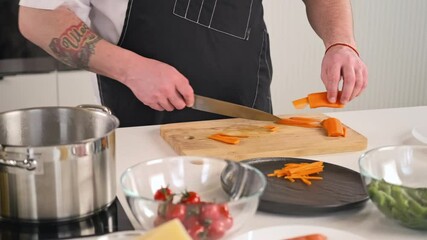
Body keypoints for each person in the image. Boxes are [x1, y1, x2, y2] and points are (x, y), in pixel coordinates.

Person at [18, 0, 367, 127]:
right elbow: (37, 17)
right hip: (144, 124)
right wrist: (131, 68)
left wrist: (340, 42)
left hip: (249, 113)